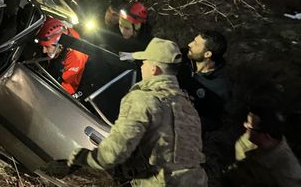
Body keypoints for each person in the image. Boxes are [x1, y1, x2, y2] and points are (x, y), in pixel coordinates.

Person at [68, 38, 207, 186]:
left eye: (143, 62)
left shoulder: (143, 99)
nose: (141, 66)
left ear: (154, 69)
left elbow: (113, 153)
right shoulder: (187, 105)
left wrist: (81, 157)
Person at [223, 106, 301, 187]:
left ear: (266, 136)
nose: (244, 125)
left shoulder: (288, 171)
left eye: (249, 127)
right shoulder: (249, 141)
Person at [179, 30, 232, 131]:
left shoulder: (221, 86)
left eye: (196, 43)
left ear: (207, 54)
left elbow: (215, 121)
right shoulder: (181, 58)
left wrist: (190, 118)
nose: (189, 44)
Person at [37, 17, 88, 96]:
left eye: (47, 47)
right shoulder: (60, 31)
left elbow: (66, 85)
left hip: (66, 86)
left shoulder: (76, 56)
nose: (44, 51)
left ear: (59, 45)